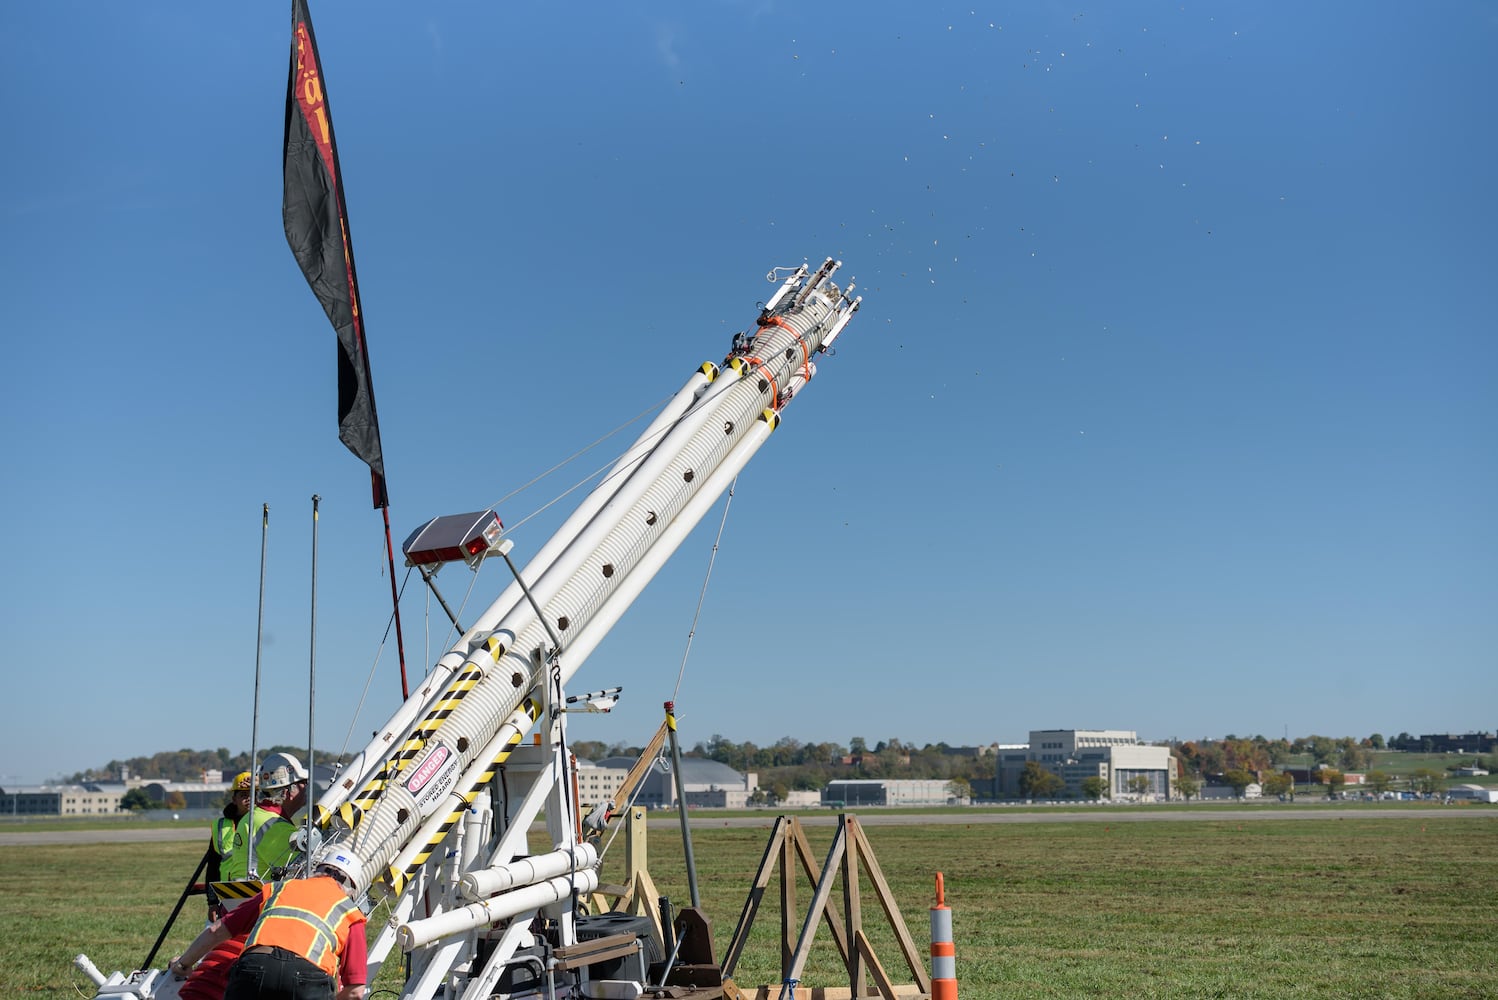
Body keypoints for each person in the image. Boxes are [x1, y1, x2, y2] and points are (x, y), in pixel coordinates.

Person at [170, 856, 367, 1000]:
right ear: (350, 890)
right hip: (308, 978)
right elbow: (355, 991)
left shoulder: (278, 888)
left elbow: (216, 931)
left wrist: (183, 965)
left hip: (254, 968)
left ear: (316, 871)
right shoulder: (350, 913)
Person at [222, 753, 311, 881]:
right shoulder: (274, 826)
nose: (306, 787)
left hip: (248, 897)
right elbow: (306, 868)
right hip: (262, 898)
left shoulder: (256, 816)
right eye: (303, 782)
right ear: (288, 792)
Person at [205, 771, 254, 921]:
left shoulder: (266, 823)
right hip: (226, 897)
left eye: (253, 794)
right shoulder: (221, 826)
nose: (249, 799)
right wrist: (212, 902)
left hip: (256, 893)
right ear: (234, 799)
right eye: (243, 795)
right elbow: (213, 866)